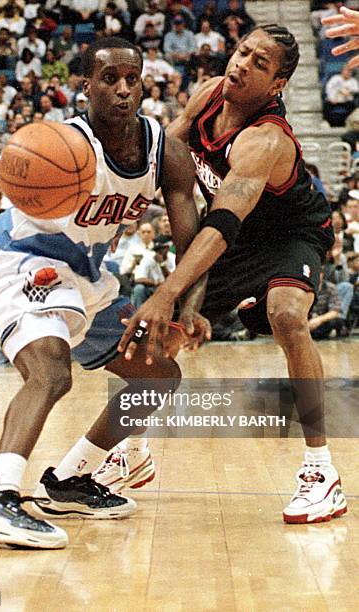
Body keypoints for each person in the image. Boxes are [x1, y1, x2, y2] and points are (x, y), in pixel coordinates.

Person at [0, 37, 208, 550]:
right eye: (109, 79)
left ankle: (70, 480)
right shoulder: (60, 143)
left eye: (132, 79)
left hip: (87, 276)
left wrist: (190, 308)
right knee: (49, 371)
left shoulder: (165, 151)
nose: (122, 90)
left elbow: (195, 242)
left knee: (158, 375)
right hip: (24, 260)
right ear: (85, 86)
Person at [118, 24, 347, 524]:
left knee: (286, 315)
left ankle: (320, 471)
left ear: (277, 85)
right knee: (155, 341)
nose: (242, 64)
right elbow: (159, 158)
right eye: (243, 51)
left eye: (260, 63)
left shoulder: (265, 139)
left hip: (290, 234)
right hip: (233, 237)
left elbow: (220, 225)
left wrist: (169, 289)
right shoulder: (209, 96)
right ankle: (131, 455)